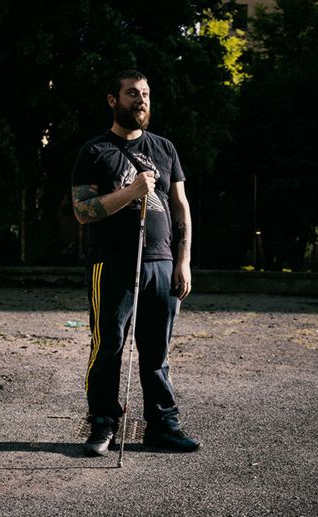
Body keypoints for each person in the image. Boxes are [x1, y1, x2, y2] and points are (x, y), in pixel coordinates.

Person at [71, 70, 199, 456]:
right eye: (131, 94)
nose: (140, 100)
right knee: (108, 346)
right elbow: (82, 211)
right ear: (113, 100)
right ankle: (102, 425)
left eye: (145, 93)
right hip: (111, 264)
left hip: (161, 263)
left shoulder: (165, 148)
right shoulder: (95, 151)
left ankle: (162, 425)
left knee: (156, 350)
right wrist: (131, 191)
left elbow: (180, 206)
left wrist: (184, 260)